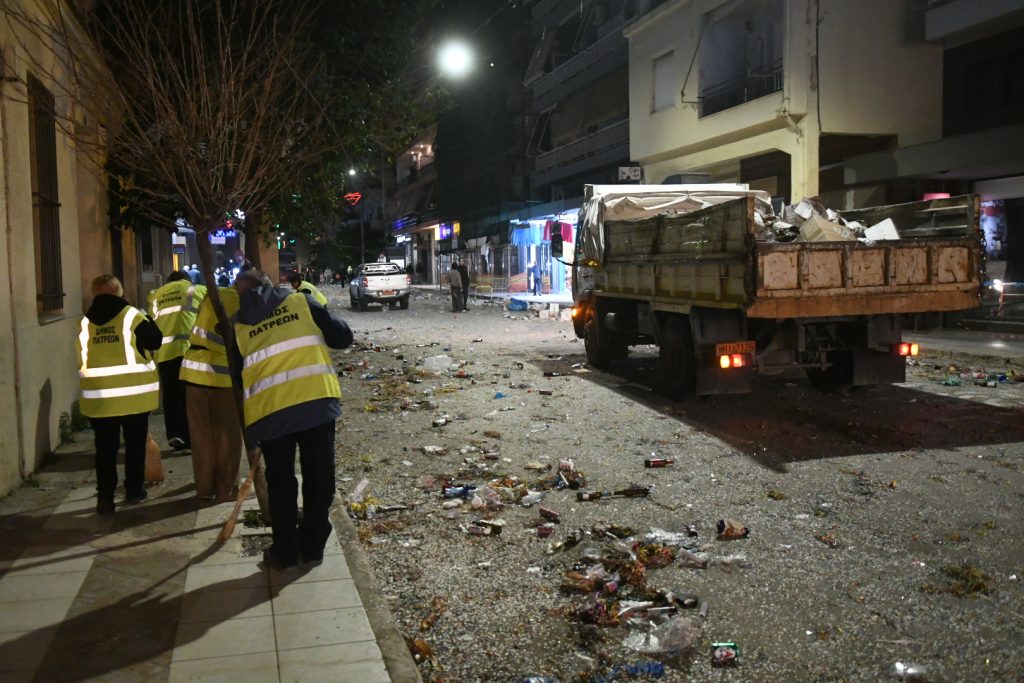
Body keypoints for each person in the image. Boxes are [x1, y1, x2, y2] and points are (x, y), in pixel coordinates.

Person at [231, 270, 353, 569]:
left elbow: (237, 376)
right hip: (314, 404)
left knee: (280, 483)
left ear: (241, 294)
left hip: (270, 413)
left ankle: (285, 553)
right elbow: (343, 337)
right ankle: (313, 548)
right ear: (269, 286)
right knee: (319, 477)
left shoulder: (237, 325)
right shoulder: (302, 303)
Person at [77, 275, 162, 513]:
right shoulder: (133, 316)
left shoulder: (85, 322)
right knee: (135, 445)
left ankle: (105, 498)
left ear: (94, 293)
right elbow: (155, 341)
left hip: (100, 399)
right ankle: (134, 490)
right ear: (119, 292)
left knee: (105, 449)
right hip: (134, 396)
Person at [179, 283, 243, 501]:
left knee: (201, 437)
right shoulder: (241, 302)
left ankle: (204, 489)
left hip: (193, 372)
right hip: (222, 375)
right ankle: (226, 490)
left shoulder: (213, 295)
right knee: (228, 436)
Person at [148, 270, 207, 451]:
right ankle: (191, 437)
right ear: (187, 280)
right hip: (190, 350)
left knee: (171, 395)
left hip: (165, 352)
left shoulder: (155, 295)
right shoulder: (197, 290)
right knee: (189, 395)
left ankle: (175, 434)